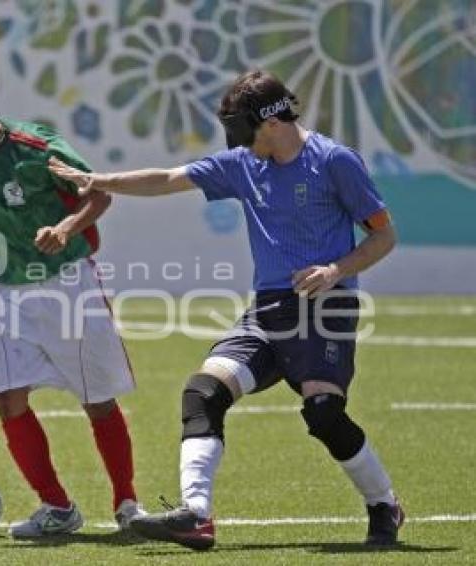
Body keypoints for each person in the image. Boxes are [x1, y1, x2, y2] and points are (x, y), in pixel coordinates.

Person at [49, 69, 403, 549]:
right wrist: (97, 179)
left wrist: (335, 269)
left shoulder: (335, 161)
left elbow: (384, 234)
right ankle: (195, 514)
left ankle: (384, 505)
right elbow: (169, 178)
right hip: (268, 310)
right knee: (202, 394)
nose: (234, 140)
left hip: (325, 306)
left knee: (324, 415)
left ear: (272, 121)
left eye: (240, 127)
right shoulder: (244, 163)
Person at [0, 77, 145, 537]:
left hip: (67, 285)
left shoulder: (38, 149)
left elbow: (99, 194)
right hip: (8, 292)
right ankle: (57, 508)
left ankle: (126, 503)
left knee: (97, 401)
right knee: (7, 398)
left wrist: (65, 227)